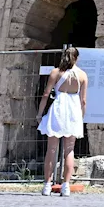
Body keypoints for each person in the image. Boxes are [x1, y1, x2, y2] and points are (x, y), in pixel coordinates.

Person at [36, 46, 88, 197]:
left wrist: (40, 113)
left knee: (51, 149)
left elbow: (46, 94)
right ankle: (65, 185)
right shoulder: (83, 75)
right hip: (73, 111)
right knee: (69, 150)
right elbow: (83, 101)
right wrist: (81, 117)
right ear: (77, 58)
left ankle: (47, 184)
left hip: (58, 108)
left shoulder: (56, 72)